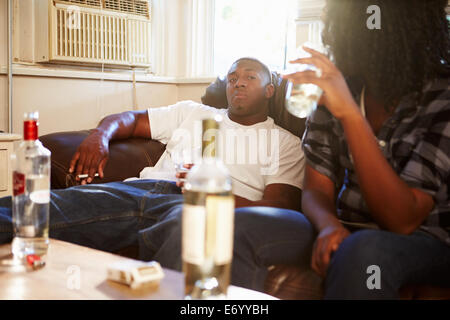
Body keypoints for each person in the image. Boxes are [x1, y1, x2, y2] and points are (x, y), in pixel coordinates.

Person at [226, 0, 450, 298]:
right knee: (235, 226)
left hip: (426, 241)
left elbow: (402, 220)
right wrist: (329, 226)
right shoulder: (334, 89)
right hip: (344, 226)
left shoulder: (441, 97)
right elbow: (316, 189)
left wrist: (351, 115)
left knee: (364, 249)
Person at [0, 57, 306, 263]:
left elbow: (280, 210)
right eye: (232, 77)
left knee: (186, 232)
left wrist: (214, 194)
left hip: (204, 207)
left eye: (249, 77)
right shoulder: (194, 112)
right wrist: (99, 136)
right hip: (140, 189)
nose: (237, 83)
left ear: (269, 90)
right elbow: (131, 120)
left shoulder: (285, 143)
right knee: (37, 207)